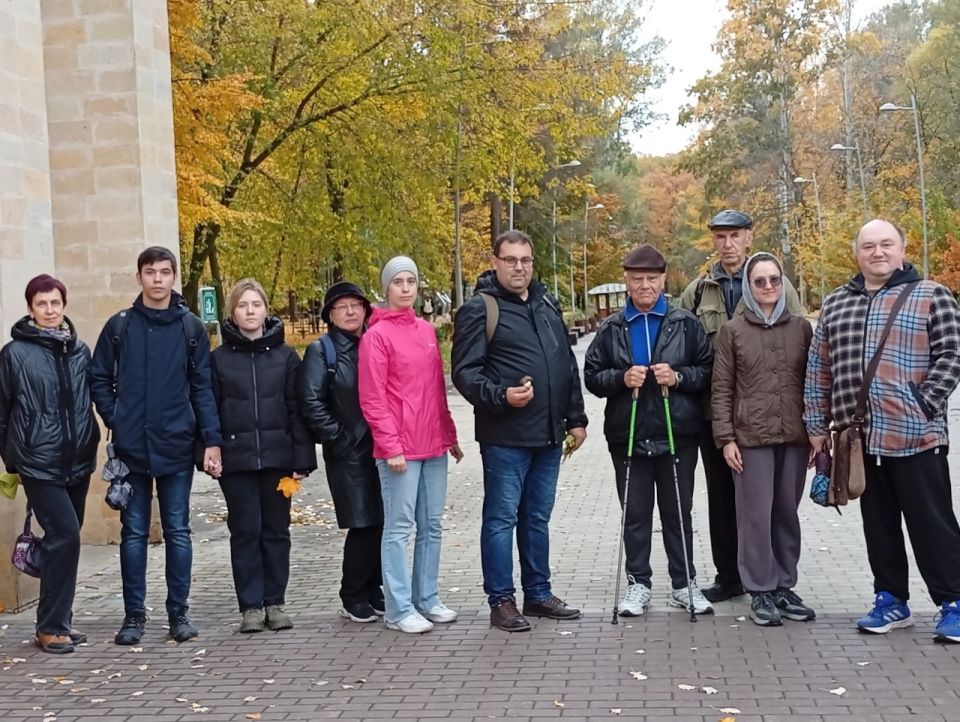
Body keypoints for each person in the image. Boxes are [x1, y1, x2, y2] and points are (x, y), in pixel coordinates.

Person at [804, 218, 960, 644]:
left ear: (902, 248)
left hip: (918, 438)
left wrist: (923, 402)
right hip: (860, 440)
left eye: (886, 244)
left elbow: (951, 355)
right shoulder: (836, 304)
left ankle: (954, 602)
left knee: (932, 523)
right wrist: (817, 426)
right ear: (858, 253)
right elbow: (819, 369)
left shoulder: (932, 296)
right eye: (869, 246)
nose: (878, 253)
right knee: (879, 525)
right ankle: (891, 599)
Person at [452, 230, 588, 632]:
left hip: (548, 435)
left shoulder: (547, 303)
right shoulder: (481, 308)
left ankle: (538, 594)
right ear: (495, 262)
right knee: (500, 519)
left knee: (537, 519)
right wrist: (501, 396)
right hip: (505, 438)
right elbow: (464, 373)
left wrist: (576, 418)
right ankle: (502, 600)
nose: (518, 267)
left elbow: (566, 364)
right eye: (510, 260)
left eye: (525, 260)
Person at [89, 246, 222, 645]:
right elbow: (99, 379)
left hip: (177, 446)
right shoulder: (120, 327)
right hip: (131, 448)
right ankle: (134, 616)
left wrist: (211, 439)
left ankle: (178, 613)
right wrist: (117, 417)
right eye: (151, 272)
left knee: (178, 531)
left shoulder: (191, 328)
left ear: (174, 277)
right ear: (140, 277)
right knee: (133, 534)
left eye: (165, 272)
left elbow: (202, 389)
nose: (158, 279)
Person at [679, 209, 803, 604]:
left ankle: (769, 579)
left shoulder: (775, 283)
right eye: (719, 237)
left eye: (734, 236)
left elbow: (795, 346)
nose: (727, 244)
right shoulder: (698, 291)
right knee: (722, 497)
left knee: (771, 503)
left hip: (771, 415)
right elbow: (681, 347)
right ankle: (730, 575)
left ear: (749, 237)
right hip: (715, 414)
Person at [584, 245, 714, 617]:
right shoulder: (611, 328)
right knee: (636, 515)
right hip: (628, 435)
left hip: (678, 433)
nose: (645, 286)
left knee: (678, 512)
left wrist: (679, 376)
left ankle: (682, 583)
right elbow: (592, 376)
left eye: (652, 279)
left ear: (662, 280)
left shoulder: (684, 323)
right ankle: (638, 584)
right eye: (637, 279)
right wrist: (621, 378)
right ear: (627, 281)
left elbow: (707, 370)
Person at [358, 257, 463, 634]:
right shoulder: (376, 336)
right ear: (385, 289)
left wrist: (448, 434)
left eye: (411, 281)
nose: (405, 288)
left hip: (432, 443)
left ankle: (427, 598)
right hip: (400, 448)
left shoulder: (425, 331)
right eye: (398, 282)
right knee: (400, 527)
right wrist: (391, 446)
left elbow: (436, 390)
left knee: (432, 525)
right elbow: (373, 398)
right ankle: (399, 608)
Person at [711, 253, 815, 626]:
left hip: (794, 437)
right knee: (755, 517)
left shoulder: (801, 328)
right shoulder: (733, 331)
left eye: (774, 280)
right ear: (748, 287)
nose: (768, 287)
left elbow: (815, 383)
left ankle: (784, 585)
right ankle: (760, 589)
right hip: (750, 439)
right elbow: (721, 388)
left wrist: (818, 433)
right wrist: (725, 438)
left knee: (786, 513)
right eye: (760, 281)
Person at [0, 275, 100, 654]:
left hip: (77, 460)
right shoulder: (14, 354)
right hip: (37, 462)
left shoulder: (79, 351)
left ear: (64, 305)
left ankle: (60, 620)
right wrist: (13, 458)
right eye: (41, 304)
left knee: (66, 543)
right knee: (65, 535)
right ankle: (49, 626)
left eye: (55, 303)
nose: (49, 310)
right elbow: (3, 411)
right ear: (30, 309)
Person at [210, 279, 316, 633]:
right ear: (233, 312)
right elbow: (209, 409)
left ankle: (275, 602)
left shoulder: (286, 357)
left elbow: (297, 409)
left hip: (278, 460)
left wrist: (302, 458)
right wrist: (211, 450)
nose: (250, 311)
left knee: (276, 531)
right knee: (245, 530)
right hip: (236, 461)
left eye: (256, 305)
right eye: (243, 305)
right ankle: (251, 606)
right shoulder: (219, 360)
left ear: (266, 310)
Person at [300, 281, 385, 623]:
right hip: (348, 450)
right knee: (362, 522)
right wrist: (339, 438)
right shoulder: (322, 350)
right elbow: (311, 400)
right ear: (330, 315)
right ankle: (352, 593)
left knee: (382, 521)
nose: (350, 312)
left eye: (356, 305)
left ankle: (373, 587)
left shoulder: (373, 342)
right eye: (342, 307)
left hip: (380, 447)